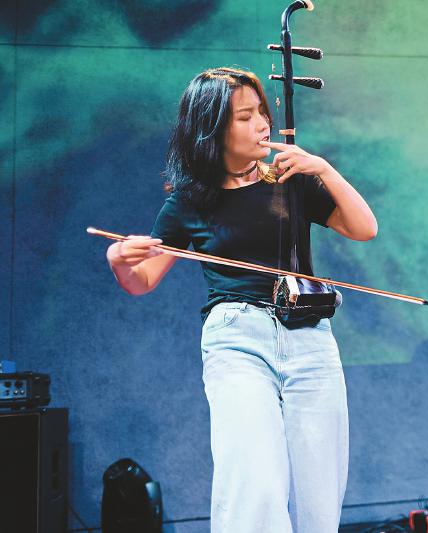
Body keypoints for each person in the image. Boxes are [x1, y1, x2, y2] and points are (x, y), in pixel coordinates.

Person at [105, 67, 377, 533]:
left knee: (320, 484)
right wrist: (118, 258)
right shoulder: (190, 200)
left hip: (309, 336)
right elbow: (142, 280)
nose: (262, 125)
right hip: (237, 340)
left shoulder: (291, 181)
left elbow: (364, 228)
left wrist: (324, 169)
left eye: (262, 113)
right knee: (253, 477)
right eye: (245, 117)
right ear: (212, 129)